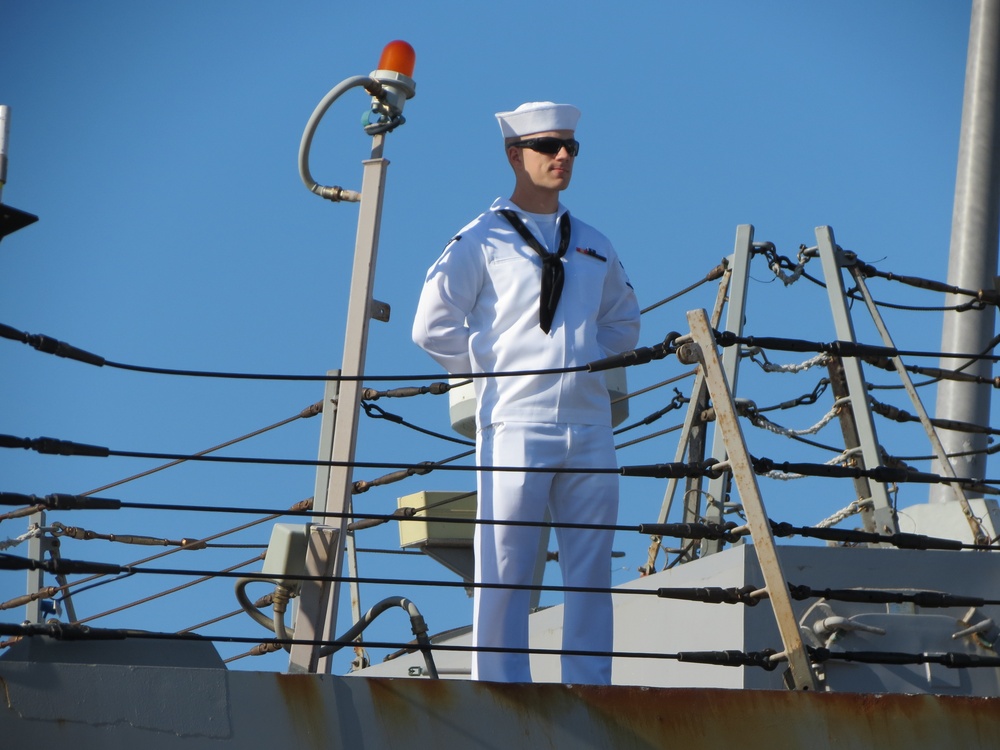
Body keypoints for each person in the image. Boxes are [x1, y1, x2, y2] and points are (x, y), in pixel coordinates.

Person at [412, 101, 640, 684]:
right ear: (516, 156)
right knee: (505, 562)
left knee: (591, 567)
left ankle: (591, 687)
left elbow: (623, 321)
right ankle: (502, 687)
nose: (562, 155)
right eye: (547, 147)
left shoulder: (593, 242)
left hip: (589, 423)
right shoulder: (482, 238)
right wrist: (498, 371)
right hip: (515, 421)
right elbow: (431, 325)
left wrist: (586, 363)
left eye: (570, 147)